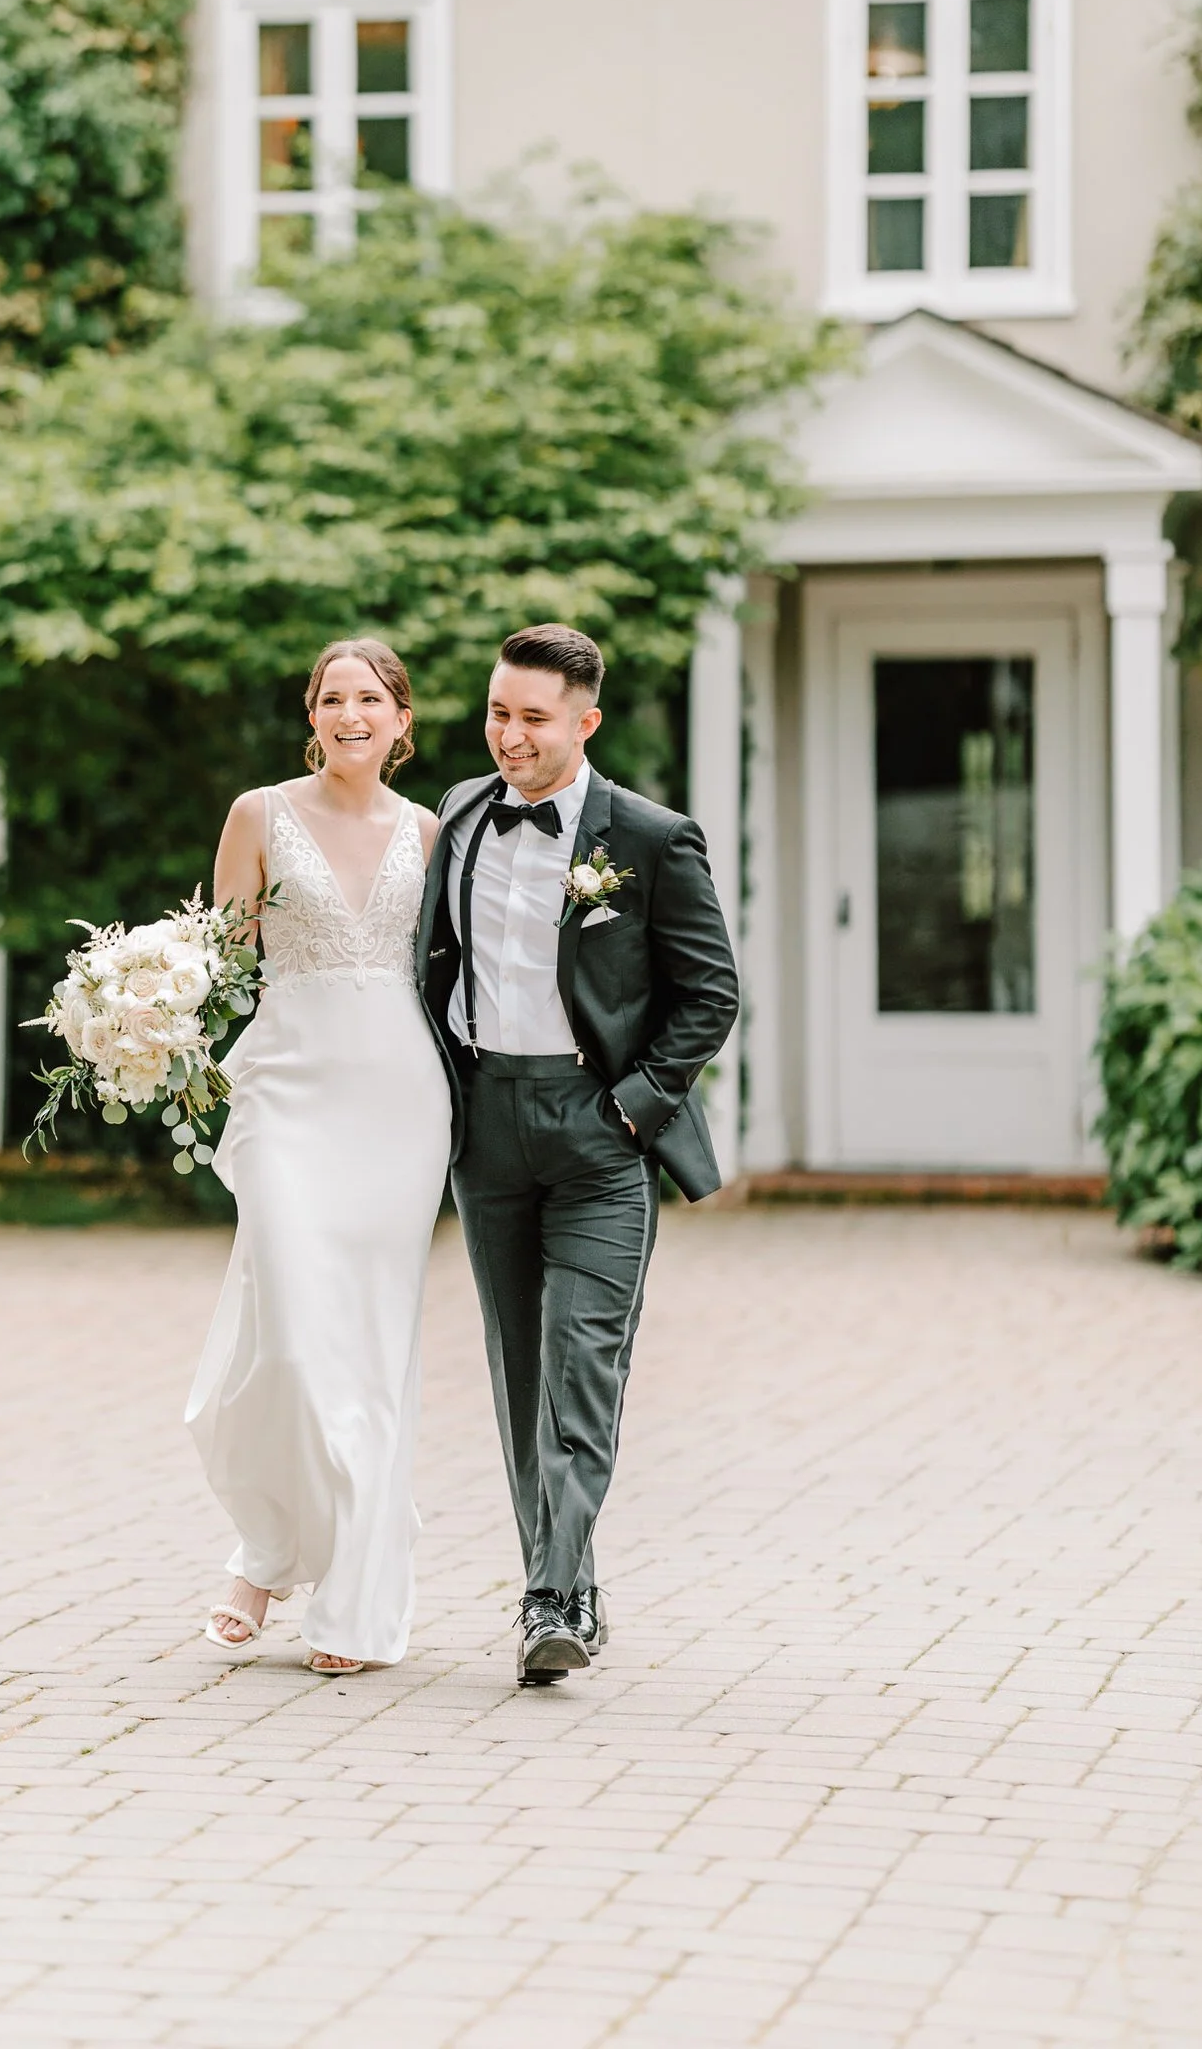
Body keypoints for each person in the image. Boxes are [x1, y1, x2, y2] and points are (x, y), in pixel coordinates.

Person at [415, 623, 739, 1686]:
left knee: (580, 1365)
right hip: (487, 1131)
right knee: (519, 1373)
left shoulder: (650, 837)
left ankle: (551, 1598)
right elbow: (433, 962)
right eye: (499, 713)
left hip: (599, 1136)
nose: (509, 735)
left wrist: (634, 1109)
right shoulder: (462, 813)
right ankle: (565, 1587)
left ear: (586, 722)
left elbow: (710, 995)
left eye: (533, 719)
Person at [186, 638, 451, 1674]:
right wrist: (142, 1013)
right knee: (294, 1341)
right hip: (287, 1093)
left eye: (371, 698)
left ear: (399, 720)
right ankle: (267, 1545)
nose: (352, 713)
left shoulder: (429, 831)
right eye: (334, 697)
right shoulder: (259, 814)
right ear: (313, 714)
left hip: (398, 1100)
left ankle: (353, 1603)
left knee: (373, 1352)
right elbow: (216, 961)